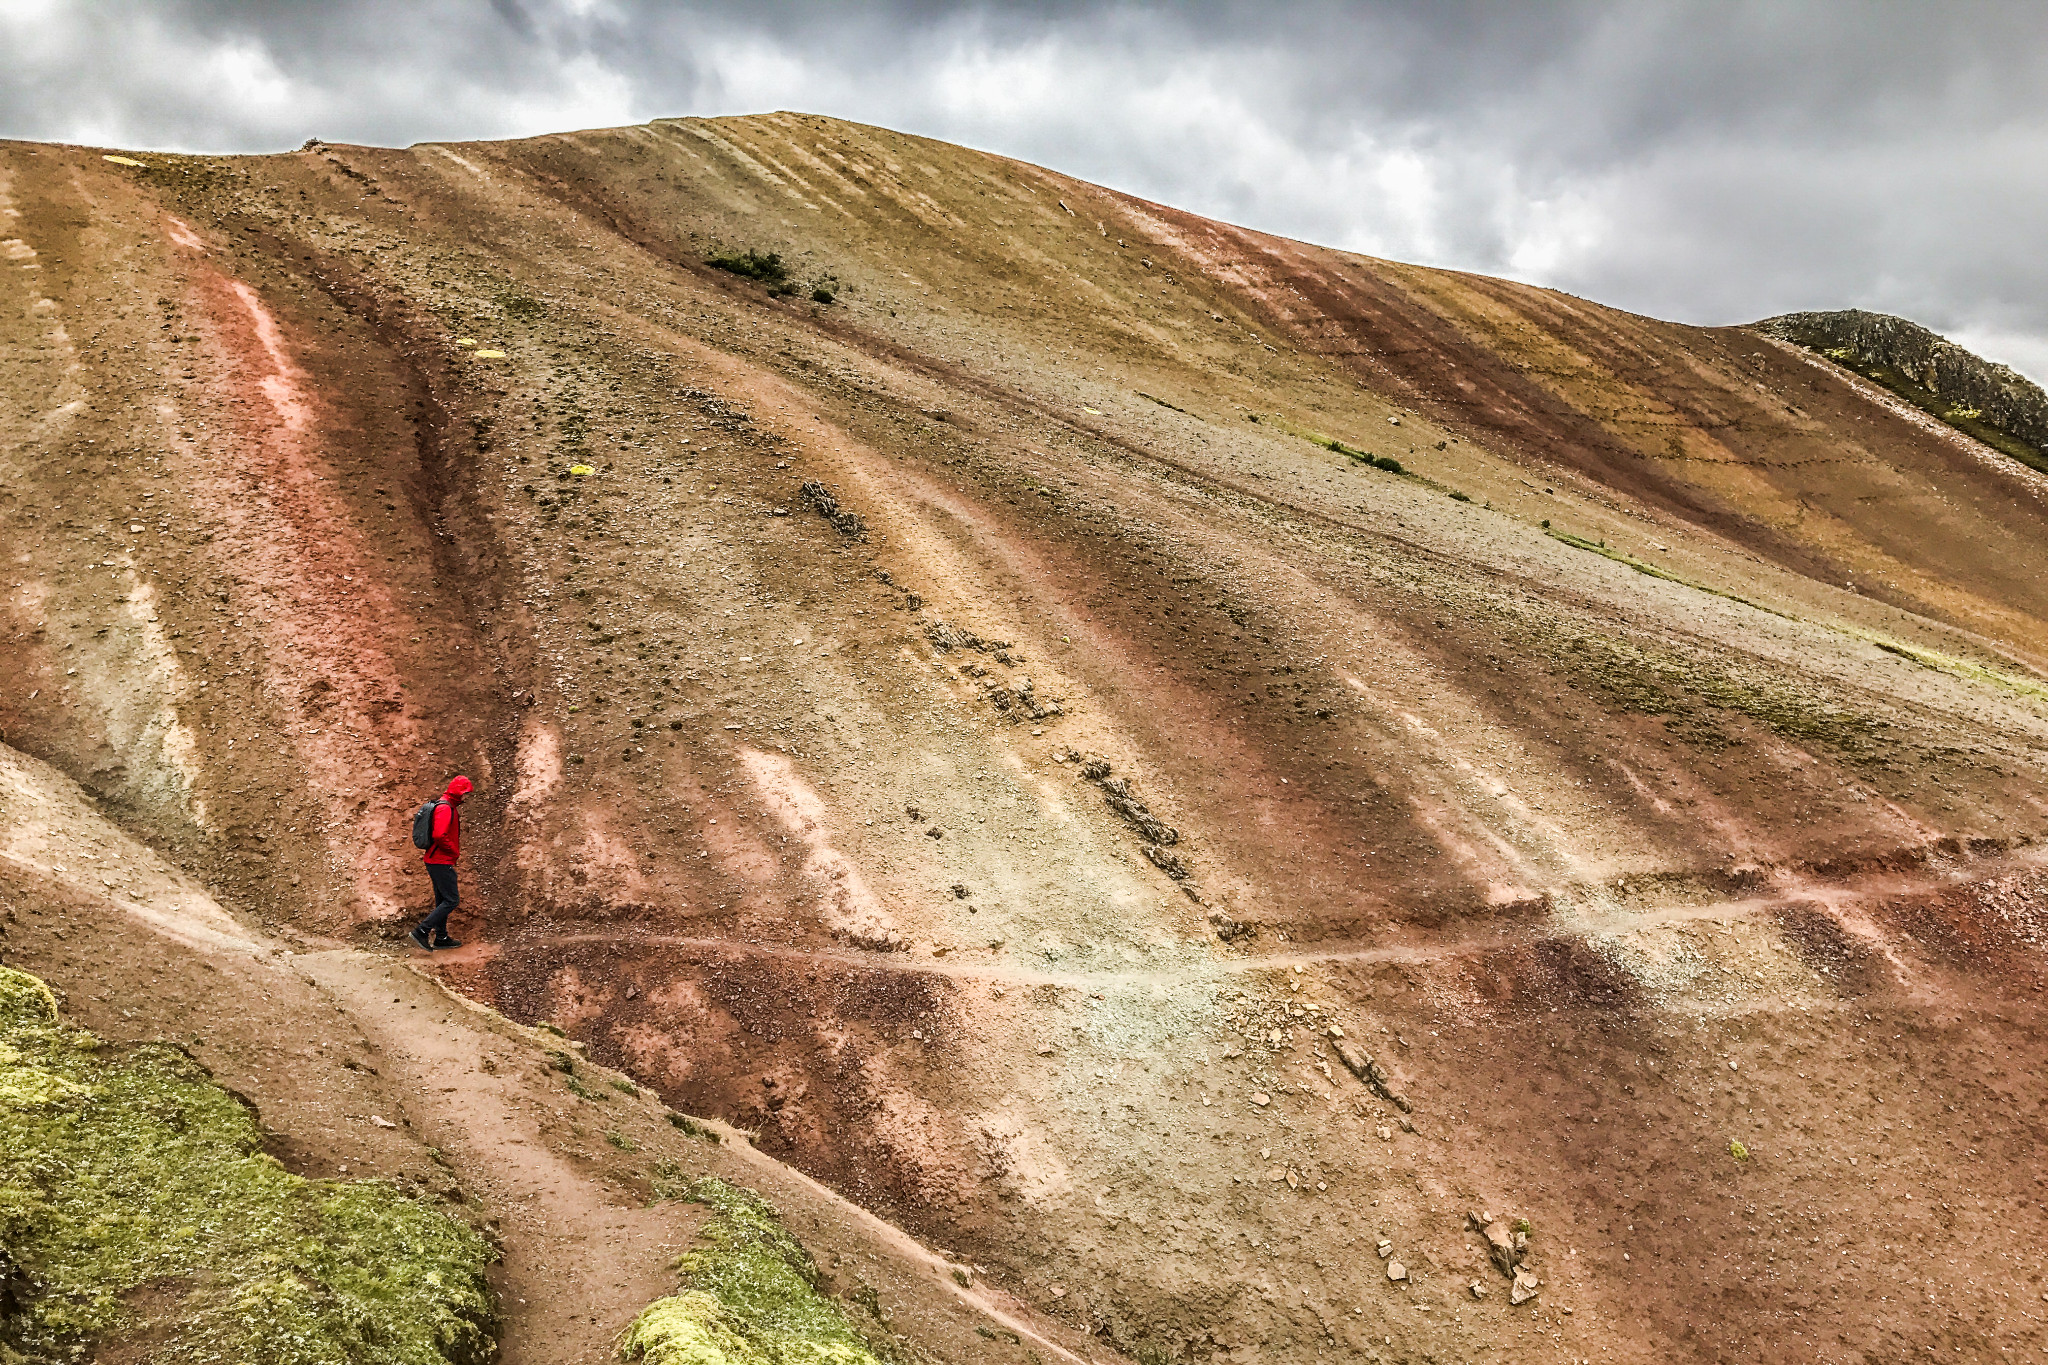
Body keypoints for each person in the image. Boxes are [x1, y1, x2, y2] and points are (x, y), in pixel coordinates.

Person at [410, 775, 473, 950]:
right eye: (464, 793)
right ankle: (422, 931)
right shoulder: (445, 808)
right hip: (440, 861)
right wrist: (454, 851)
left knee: (443, 899)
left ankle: (441, 937)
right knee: (452, 900)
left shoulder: (446, 805)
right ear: (457, 791)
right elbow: (439, 835)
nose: (465, 797)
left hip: (435, 860)